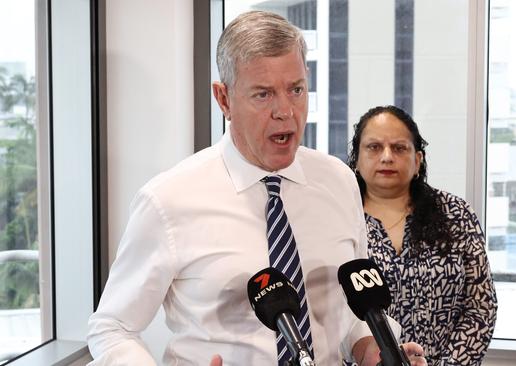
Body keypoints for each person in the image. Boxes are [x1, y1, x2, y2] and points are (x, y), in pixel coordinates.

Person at [87, 11, 426, 366]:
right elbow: (113, 326)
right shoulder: (167, 201)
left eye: (296, 89)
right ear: (224, 99)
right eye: (263, 94)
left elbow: (348, 311)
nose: (286, 111)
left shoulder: (339, 181)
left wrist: (370, 349)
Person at [348, 105, 498, 365]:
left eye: (399, 148)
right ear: (357, 160)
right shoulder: (339, 218)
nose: (386, 157)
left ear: (418, 160)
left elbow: (480, 306)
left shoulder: (455, 214)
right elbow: (326, 309)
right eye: (373, 147)